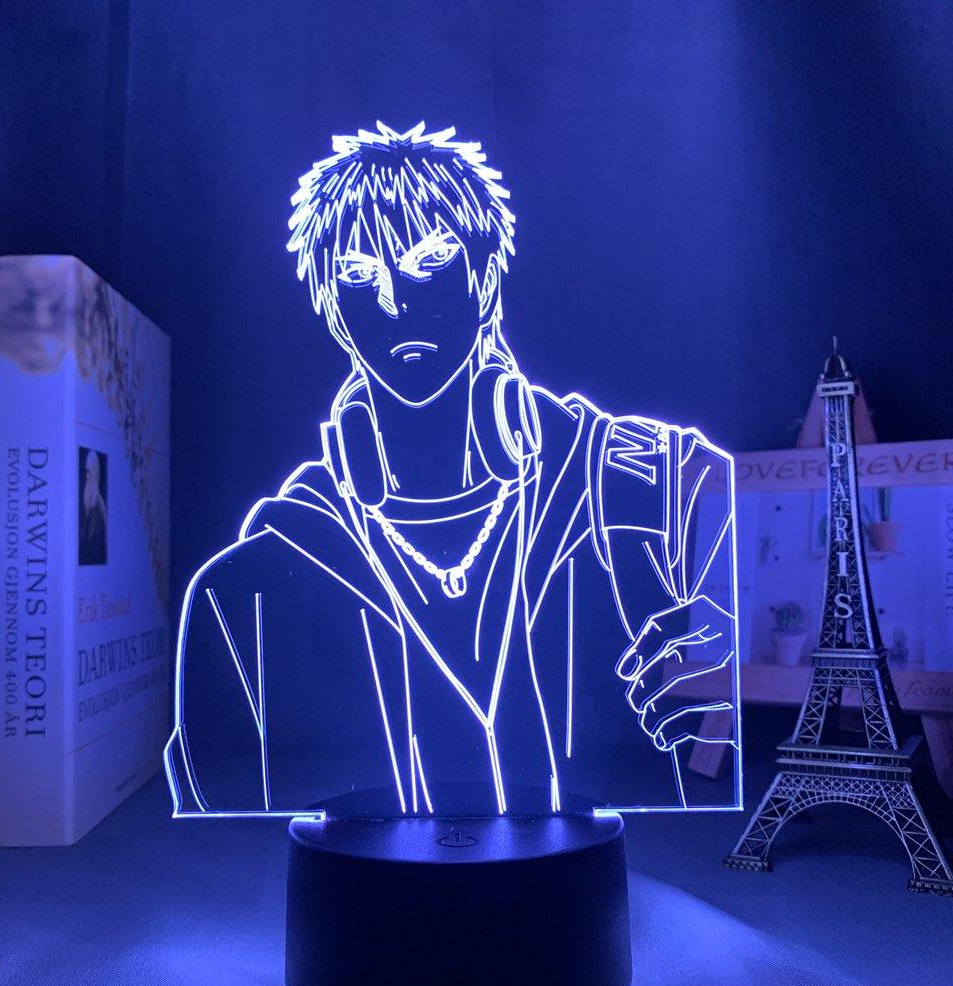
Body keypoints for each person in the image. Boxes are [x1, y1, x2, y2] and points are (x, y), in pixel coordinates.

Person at [165, 123, 738, 819]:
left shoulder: (646, 490)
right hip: (365, 885)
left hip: (606, 877)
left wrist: (749, 654)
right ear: (335, 312)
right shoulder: (245, 591)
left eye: (429, 260)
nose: (396, 303)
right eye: (358, 276)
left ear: (485, 281)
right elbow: (222, 837)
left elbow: (769, 579)